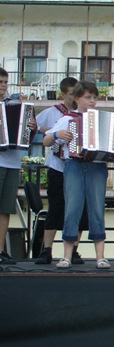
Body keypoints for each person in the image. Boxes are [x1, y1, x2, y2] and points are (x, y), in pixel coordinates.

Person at [44, 81, 114, 269]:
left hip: (97, 166)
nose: (92, 101)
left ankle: (100, 257)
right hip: (74, 165)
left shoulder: (105, 119)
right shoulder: (67, 118)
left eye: (95, 98)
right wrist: (57, 135)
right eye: (88, 97)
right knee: (72, 208)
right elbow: (46, 141)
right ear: (77, 98)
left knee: (97, 208)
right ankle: (66, 256)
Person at [34, 77, 89, 265]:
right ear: (64, 94)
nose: (75, 97)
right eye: (72, 93)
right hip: (57, 167)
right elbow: (36, 127)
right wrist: (50, 130)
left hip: (79, 168)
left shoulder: (85, 115)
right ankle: (47, 249)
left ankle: (73, 250)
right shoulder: (53, 112)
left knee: (79, 209)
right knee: (55, 208)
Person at [0, 68, 34, 265]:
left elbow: (27, 136)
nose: (3, 86)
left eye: (5, 82)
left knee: (5, 208)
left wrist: (30, 128)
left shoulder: (14, 105)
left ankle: (1, 250)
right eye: (0, 82)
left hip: (12, 162)